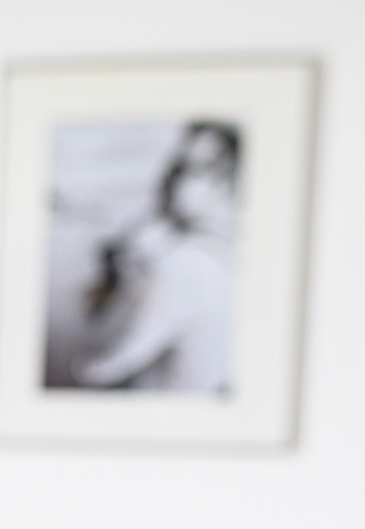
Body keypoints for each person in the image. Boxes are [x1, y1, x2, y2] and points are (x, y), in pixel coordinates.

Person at [74, 120, 240, 394]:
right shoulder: (230, 255)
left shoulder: (185, 266)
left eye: (191, 169)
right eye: (176, 167)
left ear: (225, 182)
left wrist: (120, 280)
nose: (171, 179)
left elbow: (96, 368)